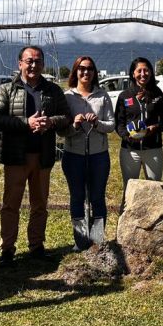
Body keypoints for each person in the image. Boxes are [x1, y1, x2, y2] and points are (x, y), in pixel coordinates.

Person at [0, 45, 70, 265]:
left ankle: (36, 246)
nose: (33, 65)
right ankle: (7, 249)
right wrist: (27, 123)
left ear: (43, 64)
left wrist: (50, 122)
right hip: (16, 157)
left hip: (42, 157)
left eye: (37, 61)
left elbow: (66, 117)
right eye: (29, 61)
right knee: (10, 205)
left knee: (40, 204)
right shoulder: (6, 89)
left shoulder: (53, 90)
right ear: (20, 64)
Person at [60, 55, 115, 249]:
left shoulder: (102, 95)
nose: (86, 72)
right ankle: (81, 240)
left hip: (98, 155)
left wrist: (97, 123)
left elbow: (111, 125)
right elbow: (61, 130)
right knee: (77, 197)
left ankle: (97, 240)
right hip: (73, 155)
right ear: (75, 71)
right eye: (82, 68)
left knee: (97, 197)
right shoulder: (67, 97)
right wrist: (74, 124)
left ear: (94, 72)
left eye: (90, 69)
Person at [114, 57, 163, 210]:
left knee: (154, 188)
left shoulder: (158, 94)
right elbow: (118, 124)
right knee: (129, 188)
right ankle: (126, 223)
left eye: (146, 70)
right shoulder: (125, 96)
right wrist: (128, 137)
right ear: (133, 73)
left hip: (153, 149)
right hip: (129, 150)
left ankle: (155, 225)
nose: (143, 74)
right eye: (139, 70)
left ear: (151, 72)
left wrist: (155, 128)